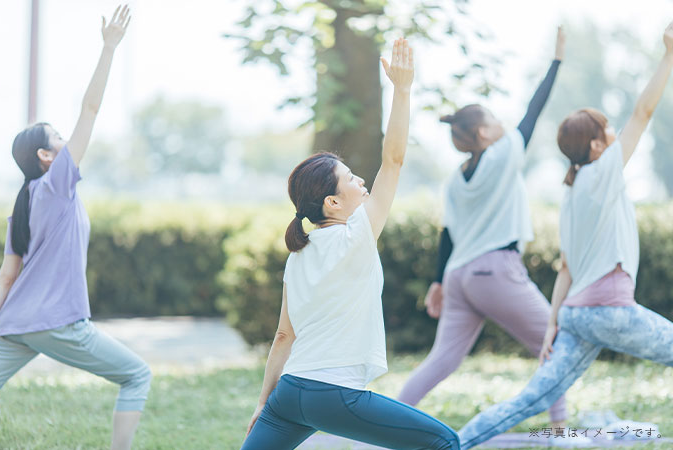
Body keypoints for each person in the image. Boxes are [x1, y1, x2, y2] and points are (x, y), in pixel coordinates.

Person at [457, 21, 673, 450]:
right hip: (608, 311)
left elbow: (567, 269)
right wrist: (668, 55)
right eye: (607, 132)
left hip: (577, 315)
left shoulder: (572, 192)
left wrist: (553, 324)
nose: (616, 136)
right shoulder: (603, 172)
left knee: (529, 400)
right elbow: (642, 114)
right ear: (595, 146)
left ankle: (452, 443)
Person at [241, 38, 459, 450]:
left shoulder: (300, 252)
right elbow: (393, 160)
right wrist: (403, 90)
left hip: (288, 396)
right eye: (352, 179)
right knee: (444, 442)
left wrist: (263, 404)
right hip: (333, 394)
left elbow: (283, 337)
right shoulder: (356, 235)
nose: (363, 182)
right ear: (333, 202)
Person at [0, 6, 150, 450]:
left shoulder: (22, 206)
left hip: (14, 323)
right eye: (58, 137)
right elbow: (92, 107)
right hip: (57, 321)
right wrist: (109, 47)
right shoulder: (56, 184)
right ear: (47, 157)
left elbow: (7, 276)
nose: (66, 141)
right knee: (137, 374)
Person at [397, 27, 567, 428]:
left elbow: (447, 233)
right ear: (484, 133)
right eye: (493, 119)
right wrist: (556, 61)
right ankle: (562, 429)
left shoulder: (455, 178)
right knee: (555, 343)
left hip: (459, 276)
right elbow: (533, 111)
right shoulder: (502, 154)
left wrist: (438, 281)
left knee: (440, 362)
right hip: (494, 270)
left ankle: (387, 428)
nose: (502, 123)